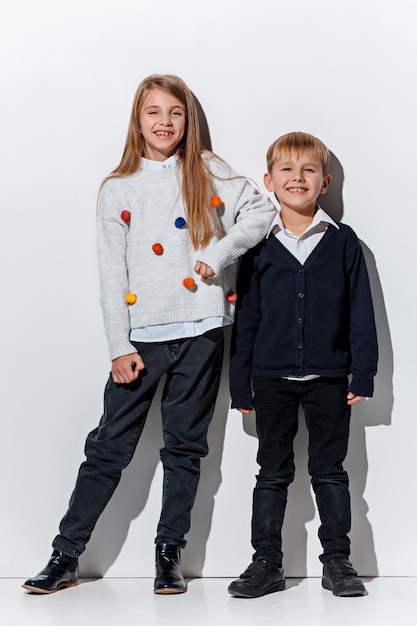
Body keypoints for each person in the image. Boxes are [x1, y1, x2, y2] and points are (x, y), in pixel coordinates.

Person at [22, 74, 276, 595]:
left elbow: (262, 211)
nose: (165, 122)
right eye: (154, 112)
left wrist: (219, 254)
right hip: (142, 338)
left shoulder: (206, 170)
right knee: (108, 448)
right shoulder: (118, 187)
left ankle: (168, 555)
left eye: (175, 113)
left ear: (188, 121)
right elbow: (111, 274)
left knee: (184, 449)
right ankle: (65, 555)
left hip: (203, 330)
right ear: (138, 121)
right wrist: (119, 346)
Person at [228, 131, 378, 598]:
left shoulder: (344, 243)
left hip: (330, 379)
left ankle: (338, 561)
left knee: (330, 471)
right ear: (270, 181)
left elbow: (361, 310)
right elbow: (247, 316)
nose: (298, 178)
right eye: (287, 170)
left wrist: (364, 371)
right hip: (270, 378)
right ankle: (266, 563)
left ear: (325, 181)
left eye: (308, 170)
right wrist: (240, 383)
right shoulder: (257, 245)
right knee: (271, 472)